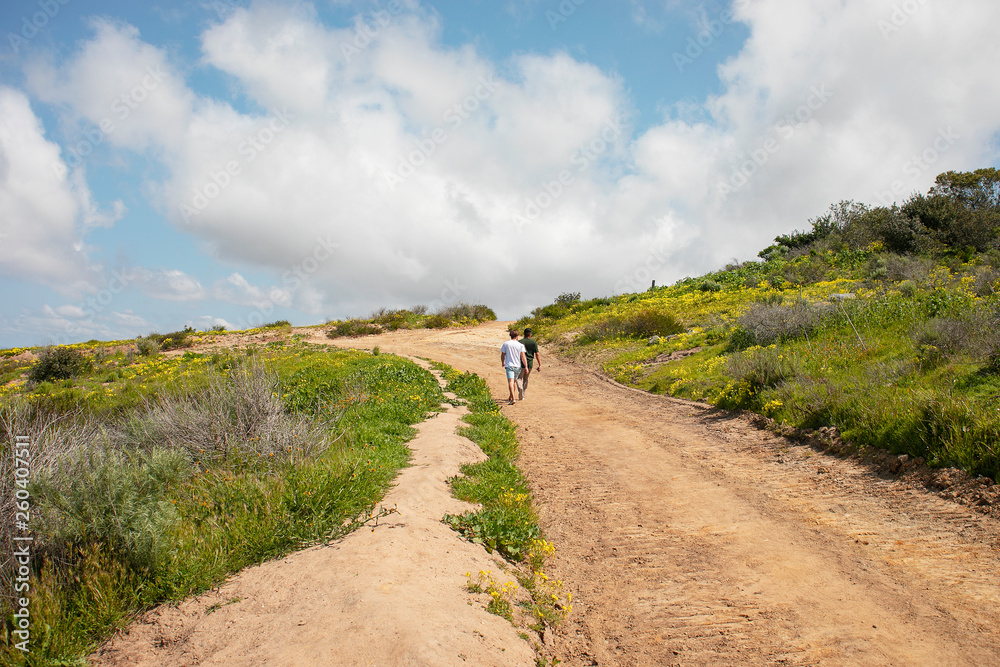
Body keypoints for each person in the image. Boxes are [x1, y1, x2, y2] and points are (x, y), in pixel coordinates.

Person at [500, 329, 527, 405]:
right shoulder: (520, 345)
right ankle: (511, 396)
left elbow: (503, 354)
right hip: (518, 366)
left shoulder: (506, 344)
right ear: (517, 336)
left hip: (509, 366)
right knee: (514, 382)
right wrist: (526, 366)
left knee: (511, 382)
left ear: (510, 335)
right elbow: (523, 356)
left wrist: (503, 362)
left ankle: (513, 398)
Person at [519, 327, 541, 399]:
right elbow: (537, 354)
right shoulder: (533, 343)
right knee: (526, 379)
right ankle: (523, 393)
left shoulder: (520, 342)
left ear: (524, 334)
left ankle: (520, 390)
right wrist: (539, 364)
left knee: (519, 378)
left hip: (521, 362)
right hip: (530, 362)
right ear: (530, 334)